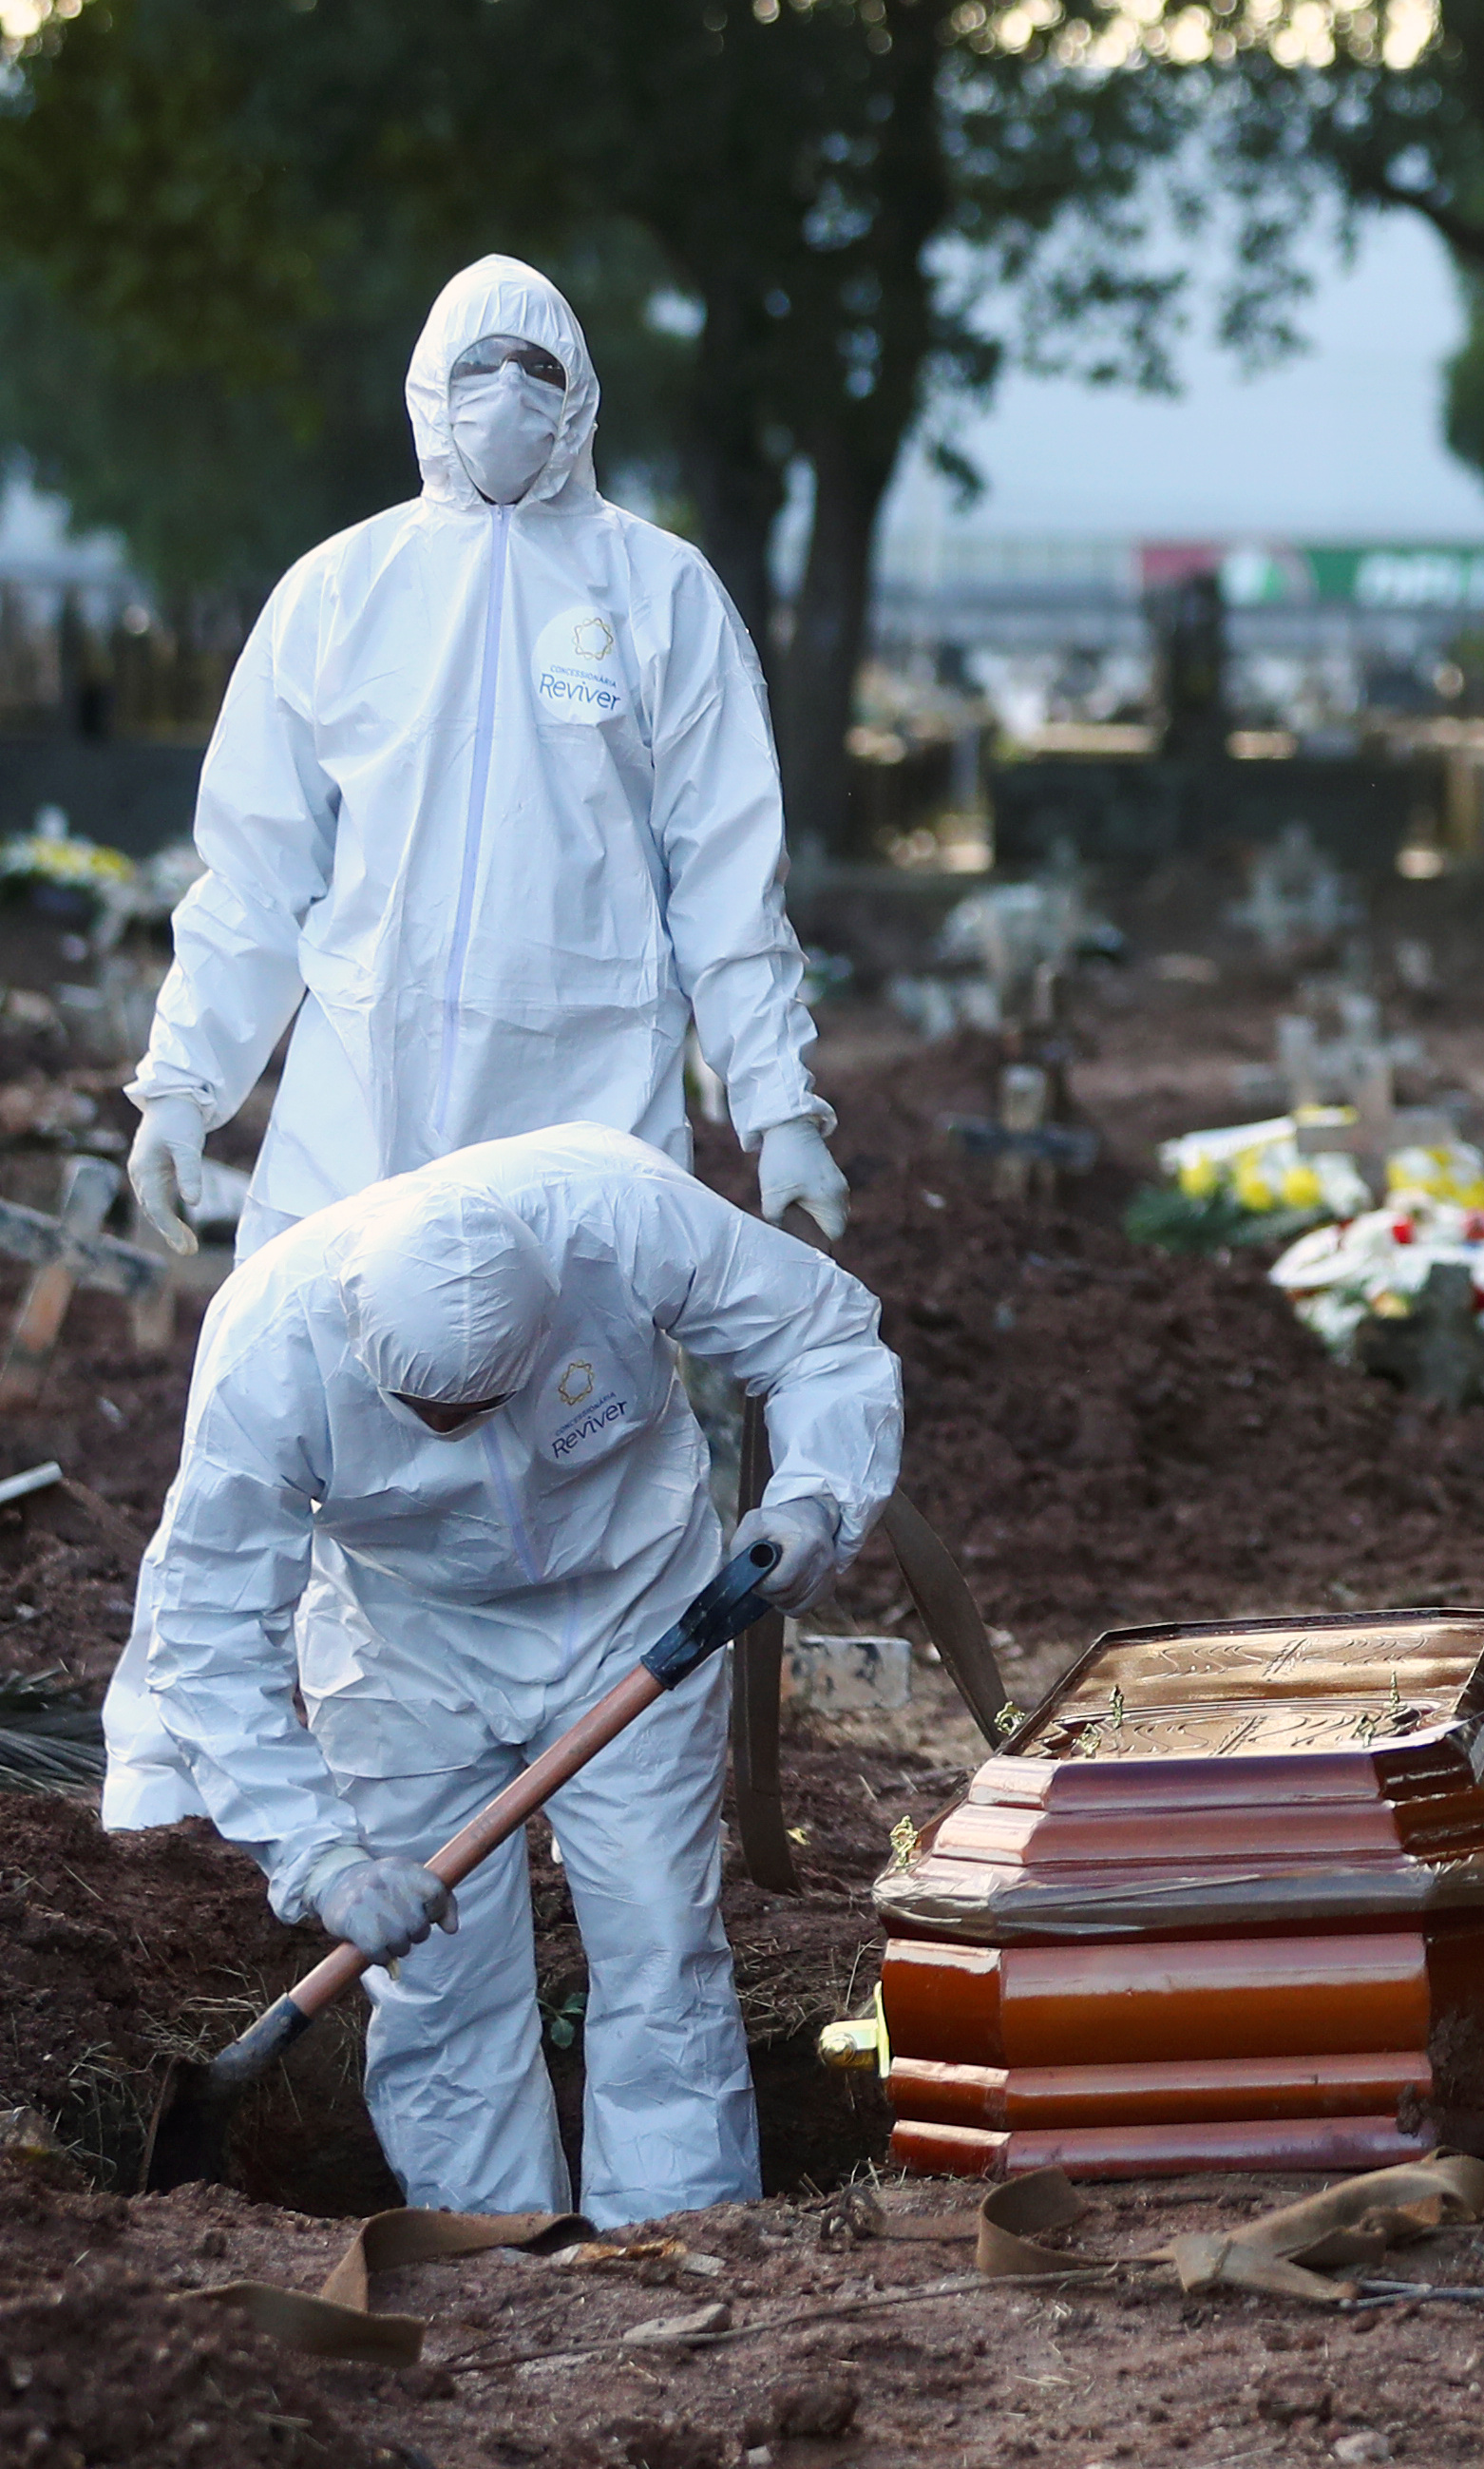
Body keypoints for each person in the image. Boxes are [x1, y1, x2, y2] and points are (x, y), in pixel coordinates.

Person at [99, 1123, 900, 2224]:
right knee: (437, 1983)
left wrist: (816, 1492)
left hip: (630, 1606)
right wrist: (321, 1857)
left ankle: (668, 2245)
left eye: (479, 1410)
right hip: (403, 1644)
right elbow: (203, 1633)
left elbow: (822, 1334)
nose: (457, 1436)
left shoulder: (616, 1213)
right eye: (431, 1420)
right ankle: (491, 2258)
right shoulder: (269, 1346)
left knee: (661, 1942)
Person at [126, 255, 845, 1257]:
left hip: (589, 1118)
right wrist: (182, 1083)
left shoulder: (664, 597)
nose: (506, 396)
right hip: (357, 1129)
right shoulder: (338, 594)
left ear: (580, 395)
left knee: (583, 1405)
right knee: (333, 1387)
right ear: (429, 388)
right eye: (478, 368)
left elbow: (727, 883)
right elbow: (255, 873)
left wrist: (779, 1108)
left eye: (536, 371)